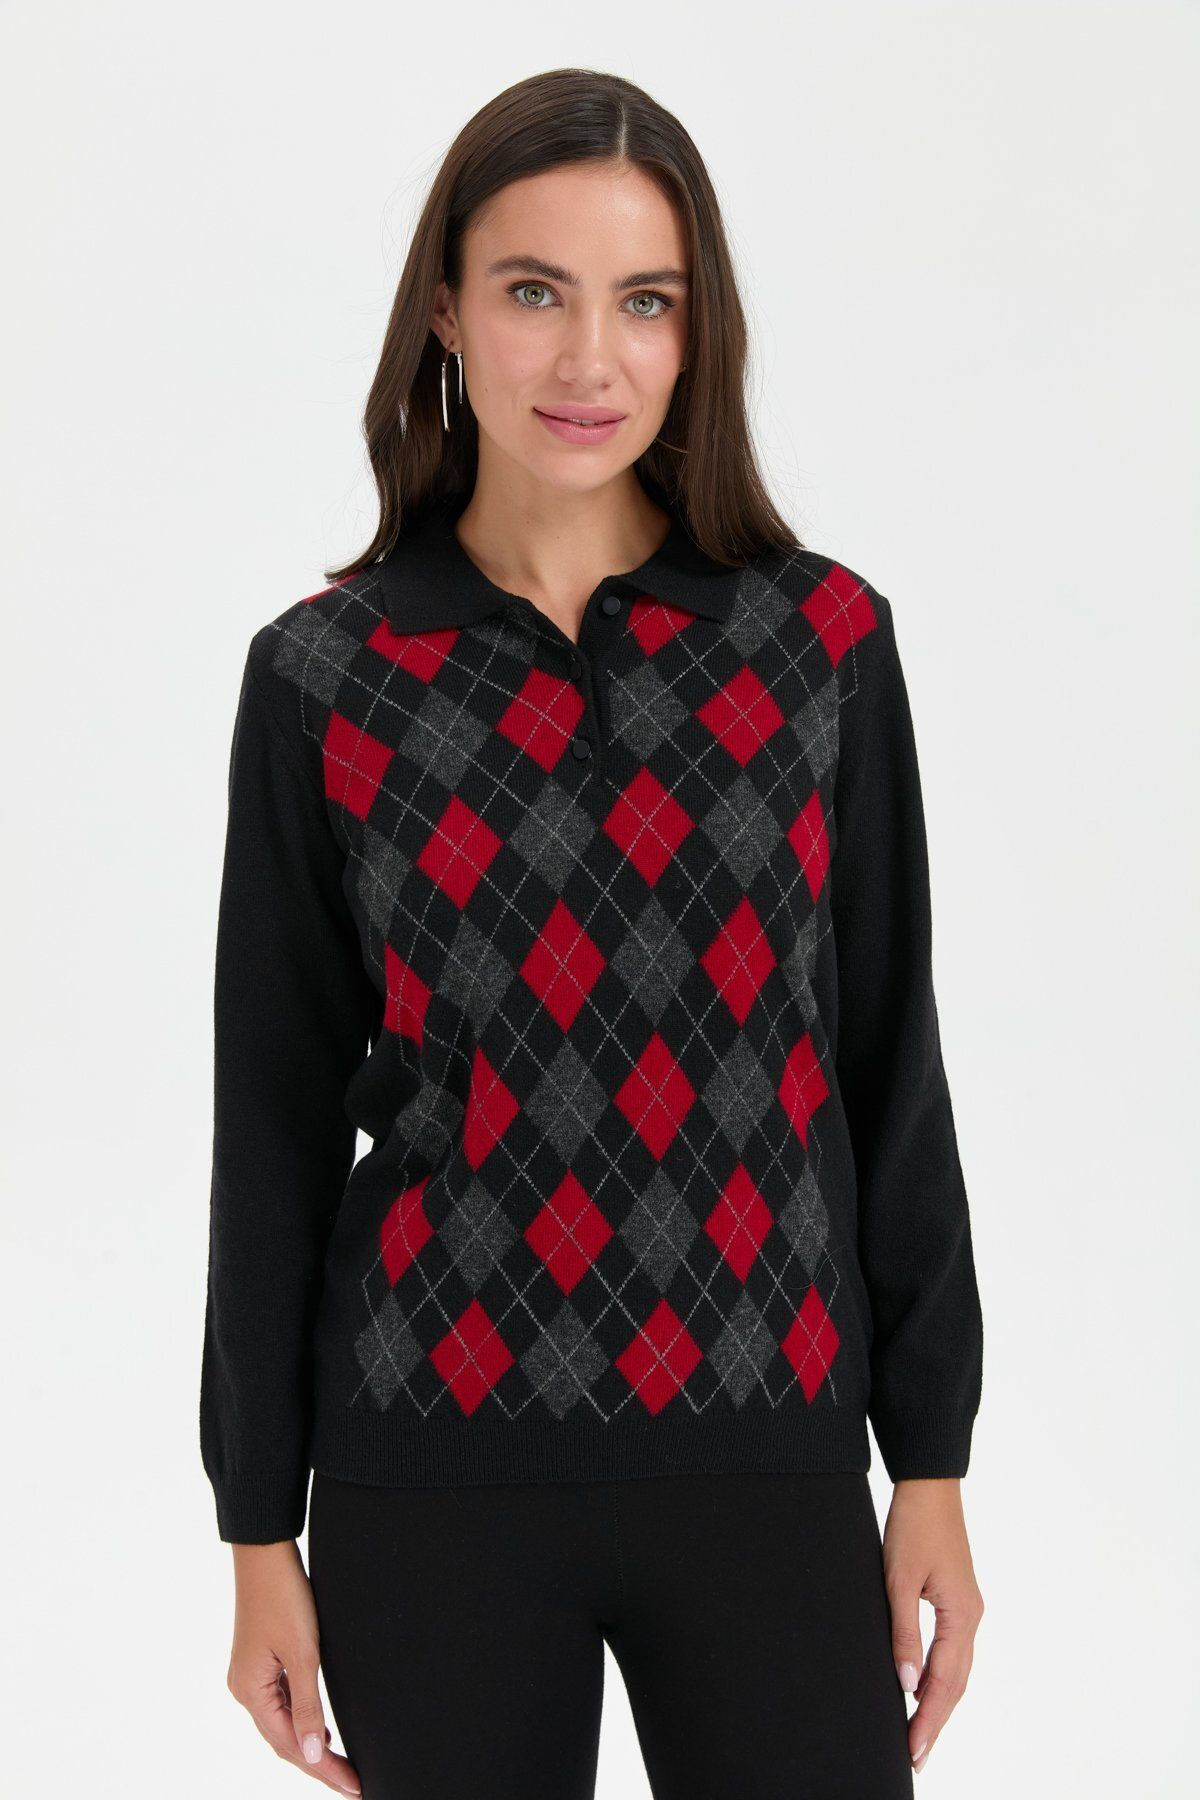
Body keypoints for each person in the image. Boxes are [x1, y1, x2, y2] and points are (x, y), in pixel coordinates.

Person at [200, 66, 985, 1800]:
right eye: (533, 291)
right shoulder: (327, 676)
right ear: (445, 311)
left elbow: (887, 1065)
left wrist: (930, 1461)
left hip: (770, 1457)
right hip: (432, 1472)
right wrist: (256, 1528)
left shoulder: (817, 646)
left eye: (645, 302)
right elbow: (271, 1123)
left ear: (698, 335)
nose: (589, 360)